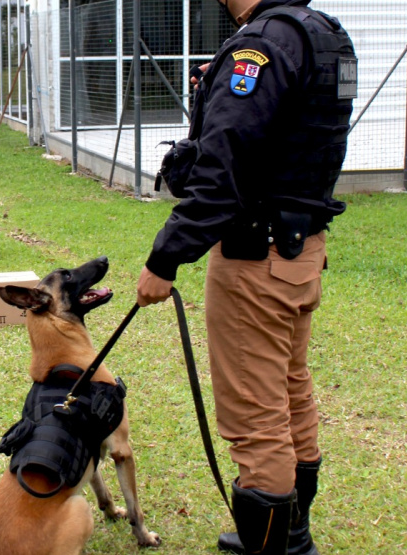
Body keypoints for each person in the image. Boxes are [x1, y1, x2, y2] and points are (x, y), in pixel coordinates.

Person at [136, 1, 356, 554]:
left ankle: (274, 547)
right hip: (301, 251)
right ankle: (292, 535)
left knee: (256, 417)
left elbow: (222, 168)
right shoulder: (321, 33)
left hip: (255, 256)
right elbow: (286, 134)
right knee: (289, 394)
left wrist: (166, 258)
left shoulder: (262, 45)